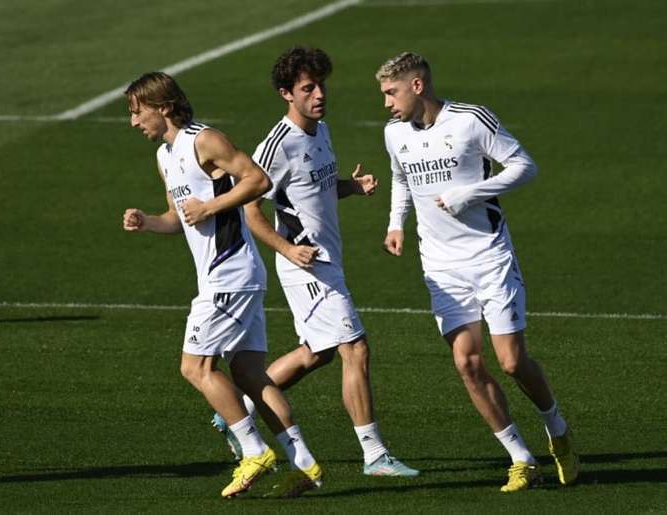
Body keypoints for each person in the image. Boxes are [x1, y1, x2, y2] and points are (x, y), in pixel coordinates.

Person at [211, 46, 420, 479]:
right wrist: (287, 250)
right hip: (306, 266)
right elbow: (250, 211)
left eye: (321, 85)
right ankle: (374, 454)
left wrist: (351, 187)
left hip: (329, 260)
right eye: (308, 88)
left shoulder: (320, 130)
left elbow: (311, 191)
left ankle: (235, 408)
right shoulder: (276, 147)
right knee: (355, 349)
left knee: (316, 353)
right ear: (287, 93)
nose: (319, 94)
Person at [376, 52, 579, 492]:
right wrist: (396, 224)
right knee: (467, 363)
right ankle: (521, 458)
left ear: (417, 86)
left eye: (391, 93)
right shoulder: (395, 133)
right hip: (441, 265)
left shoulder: (471, 120)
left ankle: (557, 429)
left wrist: (472, 193)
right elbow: (400, 177)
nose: (387, 103)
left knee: (510, 362)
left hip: (489, 256)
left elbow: (525, 166)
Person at [121, 71, 322, 499]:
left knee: (195, 367)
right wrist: (148, 223)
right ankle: (305, 464)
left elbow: (258, 180)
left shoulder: (204, 140)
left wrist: (210, 205)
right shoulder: (165, 155)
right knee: (249, 374)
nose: (134, 122)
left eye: (137, 112)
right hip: (233, 276)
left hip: (229, 275)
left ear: (163, 107)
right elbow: (180, 216)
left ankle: (253, 450)